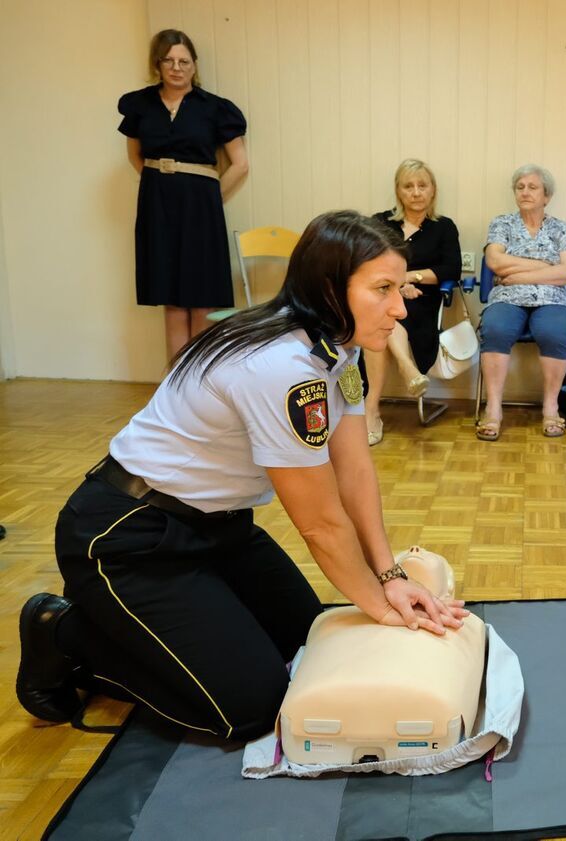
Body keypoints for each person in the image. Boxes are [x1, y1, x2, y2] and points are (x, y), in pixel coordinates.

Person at [15, 211, 468, 740]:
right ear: (328, 287)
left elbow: (354, 471)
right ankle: (67, 635)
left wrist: (388, 577)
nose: (399, 307)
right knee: (249, 709)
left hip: (219, 529)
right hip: (129, 538)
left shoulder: (338, 346)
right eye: (383, 289)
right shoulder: (281, 366)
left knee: (306, 646)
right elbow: (321, 523)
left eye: (402, 287)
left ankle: (148, 629)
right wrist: (381, 608)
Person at [118, 29, 250, 360]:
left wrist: (207, 198)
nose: (177, 68)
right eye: (169, 61)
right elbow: (135, 155)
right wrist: (160, 182)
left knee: (201, 293)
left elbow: (240, 164)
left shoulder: (215, 108)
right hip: (157, 205)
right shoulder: (140, 105)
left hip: (200, 206)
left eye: (184, 61)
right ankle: (174, 385)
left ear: (194, 65)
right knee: (171, 296)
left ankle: (198, 381)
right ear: (158, 64)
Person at [476, 165, 566, 441]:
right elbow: (494, 261)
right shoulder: (502, 224)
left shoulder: (562, 229)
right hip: (508, 297)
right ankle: (494, 408)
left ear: (547, 196)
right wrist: (545, 266)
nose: (525, 192)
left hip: (553, 299)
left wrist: (520, 273)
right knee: (495, 329)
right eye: (520, 187)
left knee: (554, 332)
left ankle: (550, 406)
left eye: (533, 187)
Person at [362, 159, 463, 446]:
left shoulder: (443, 227)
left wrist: (409, 279)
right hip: (381, 298)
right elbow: (365, 262)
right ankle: (408, 372)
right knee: (379, 319)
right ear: (398, 191)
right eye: (409, 186)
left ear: (433, 191)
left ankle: (372, 412)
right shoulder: (380, 223)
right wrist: (394, 287)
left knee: (383, 322)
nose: (416, 192)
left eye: (422, 186)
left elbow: (451, 270)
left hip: (421, 302)